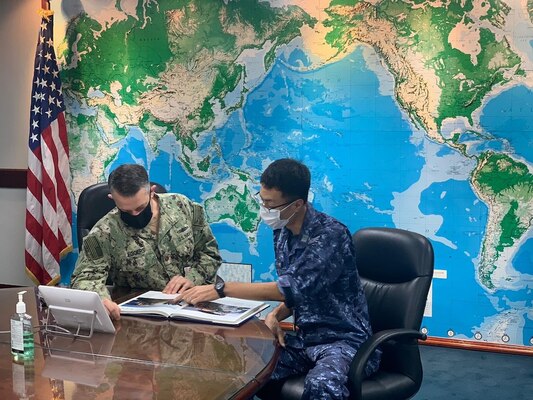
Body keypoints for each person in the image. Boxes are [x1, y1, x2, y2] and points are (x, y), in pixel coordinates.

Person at [180, 158, 380, 400]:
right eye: (262, 200)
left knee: (322, 385)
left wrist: (221, 289)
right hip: (306, 340)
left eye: (270, 204)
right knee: (243, 368)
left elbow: (288, 288)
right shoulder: (283, 233)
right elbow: (303, 294)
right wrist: (275, 315)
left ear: (297, 204)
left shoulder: (330, 236)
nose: (264, 209)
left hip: (345, 343)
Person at [70, 164, 221, 320]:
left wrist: (193, 278)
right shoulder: (104, 232)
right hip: (141, 316)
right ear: (112, 198)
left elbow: (210, 253)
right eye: (126, 211)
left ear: (152, 191)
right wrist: (101, 299)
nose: (135, 214)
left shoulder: (183, 207)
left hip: (192, 306)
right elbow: (85, 278)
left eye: (141, 207)